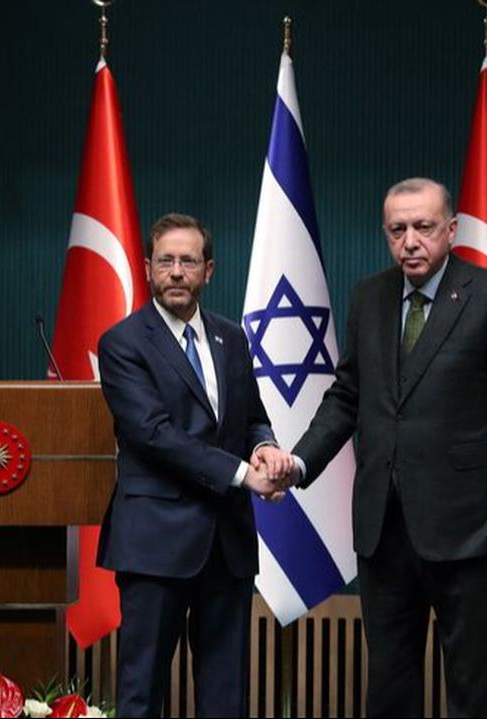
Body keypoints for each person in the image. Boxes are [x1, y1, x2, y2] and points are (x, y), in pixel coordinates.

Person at [288, 178, 487, 717]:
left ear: (450, 230)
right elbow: (347, 396)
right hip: (385, 531)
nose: (410, 241)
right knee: (389, 688)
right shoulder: (369, 297)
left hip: (468, 531)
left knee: (473, 691)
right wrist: (299, 459)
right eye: (397, 229)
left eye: (423, 228)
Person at [95, 212, 294, 718]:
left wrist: (265, 447)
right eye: (166, 261)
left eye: (188, 261)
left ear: (210, 270)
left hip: (226, 544)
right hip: (154, 543)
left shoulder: (232, 338)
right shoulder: (123, 343)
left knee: (226, 696)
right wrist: (242, 474)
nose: (177, 272)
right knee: (142, 693)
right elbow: (154, 434)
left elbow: (251, 417)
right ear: (146, 268)